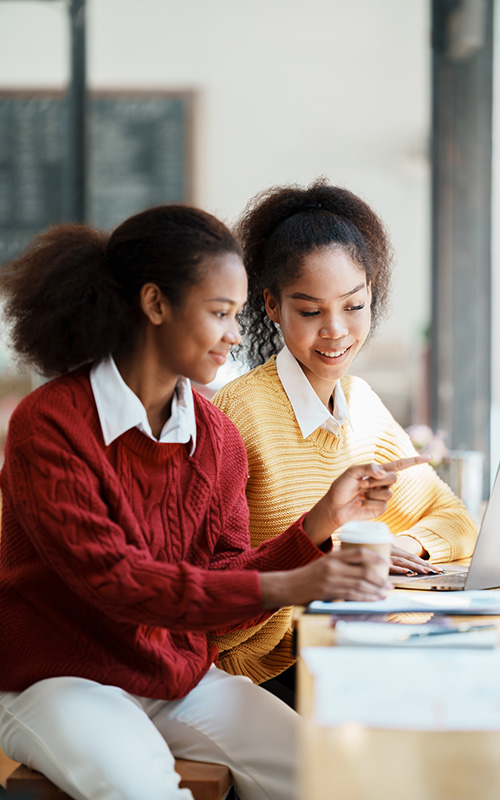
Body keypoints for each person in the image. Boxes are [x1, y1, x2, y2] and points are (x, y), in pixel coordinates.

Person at [0, 204, 425, 800]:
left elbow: (219, 589)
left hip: (174, 675)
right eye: (220, 313)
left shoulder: (216, 438)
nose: (235, 334)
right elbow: (118, 583)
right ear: (155, 306)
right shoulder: (50, 423)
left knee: (338, 783)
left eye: (237, 313)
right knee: (145, 791)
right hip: (58, 679)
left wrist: (321, 522)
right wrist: (297, 583)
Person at [211, 180, 477, 701]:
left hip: (353, 644)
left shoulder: (363, 406)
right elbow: (218, 610)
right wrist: (331, 551)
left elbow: (458, 521)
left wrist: (401, 543)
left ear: (371, 295)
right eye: (310, 311)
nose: (335, 330)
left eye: (353, 306)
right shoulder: (237, 415)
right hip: (265, 671)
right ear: (271, 305)